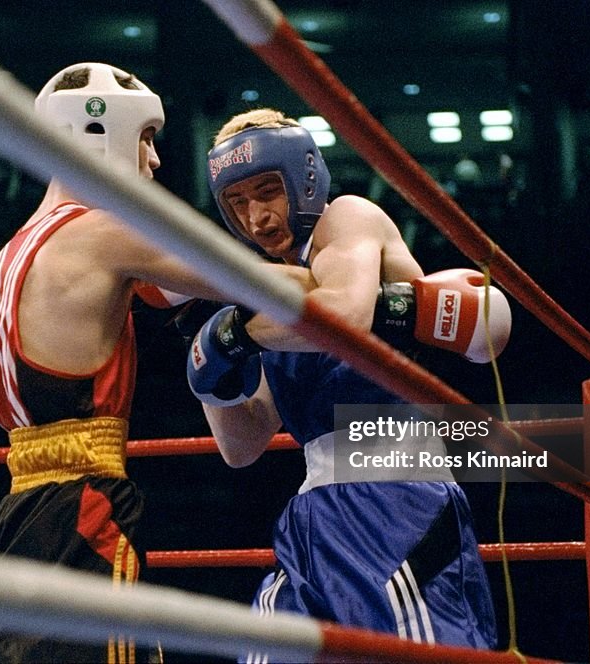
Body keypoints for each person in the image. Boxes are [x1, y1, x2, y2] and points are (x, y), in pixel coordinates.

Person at [0, 67, 310, 664]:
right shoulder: (101, 232)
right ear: (98, 135)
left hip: (22, 510)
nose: (154, 161)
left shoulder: (16, 249)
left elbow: (171, 295)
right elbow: (268, 285)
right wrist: (366, 269)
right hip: (83, 506)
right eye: (145, 139)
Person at [186, 109, 508, 655]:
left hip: (396, 494)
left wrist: (240, 330)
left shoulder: (348, 219)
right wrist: (212, 376)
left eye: (268, 192)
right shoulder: (268, 294)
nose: (258, 218)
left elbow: (344, 318)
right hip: (314, 509)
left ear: (304, 177)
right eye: (238, 204)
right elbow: (242, 445)